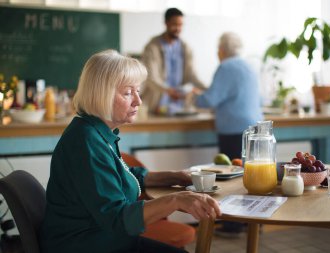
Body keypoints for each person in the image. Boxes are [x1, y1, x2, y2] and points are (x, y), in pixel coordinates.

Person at [39, 49, 221, 253]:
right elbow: (116, 217)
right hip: (86, 245)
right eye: (127, 93)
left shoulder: (95, 131)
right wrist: (176, 199)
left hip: (104, 240)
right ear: (102, 95)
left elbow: (120, 176)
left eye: (138, 91)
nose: (138, 101)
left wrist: (174, 177)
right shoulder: (86, 141)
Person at [194, 32, 264, 236]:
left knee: (231, 179)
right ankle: (254, 223)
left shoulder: (226, 67)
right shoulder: (248, 66)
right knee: (252, 176)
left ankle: (233, 225)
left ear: (222, 50)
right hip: (255, 126)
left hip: (234, 129)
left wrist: (194, 97)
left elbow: (210, 100)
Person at [141, 7, 205, 114]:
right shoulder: (152, 47)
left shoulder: (186, 48)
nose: (178, 28)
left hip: (179, 104)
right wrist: (168, 91)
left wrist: (206, 89)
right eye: (175, 24)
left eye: (180, 25)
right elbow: (151, 77)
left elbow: (192, 75)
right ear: (166, 23)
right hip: (156, 104)